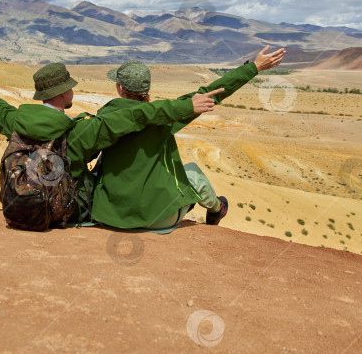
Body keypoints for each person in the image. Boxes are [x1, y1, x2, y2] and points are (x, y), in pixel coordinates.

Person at [0, 55, 224, 221]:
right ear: (66, 93)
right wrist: (185, 106)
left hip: (19, 208)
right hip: (69, 212)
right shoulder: (80, 130)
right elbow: (133, 116)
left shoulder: (15, 120)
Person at [90, 46, 286, 230]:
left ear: (119, 88)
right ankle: (217, 209)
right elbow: (213, 92)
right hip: (157, 219)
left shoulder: (104, 117)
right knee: (191, 172)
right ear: (147, 90)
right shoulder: (166, 116)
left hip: (109, 215)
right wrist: (254, 67)